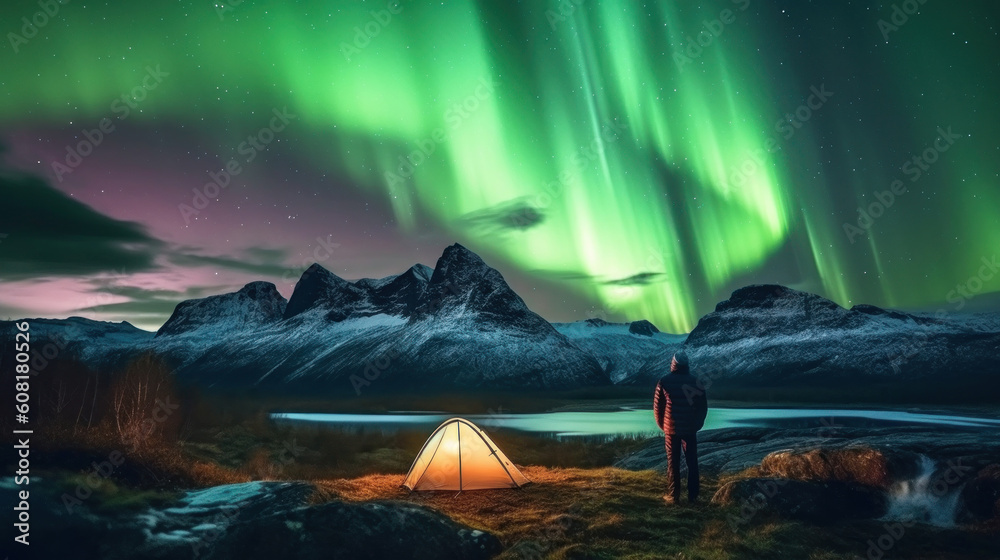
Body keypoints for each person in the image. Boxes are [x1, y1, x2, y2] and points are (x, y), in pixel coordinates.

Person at [653, 350, 708, 504]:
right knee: (692, 462)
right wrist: (697, 425)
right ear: (687, 365)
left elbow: (658, 409)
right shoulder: (696, 382)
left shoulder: (664, 381)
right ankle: (693, 496)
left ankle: (673, 496)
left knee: (673, 462)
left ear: (673, 363)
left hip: (671, 430)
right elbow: (703, 408)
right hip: (690, 429)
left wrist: (664, 426)